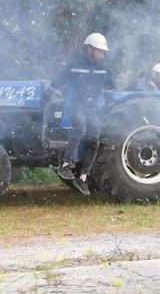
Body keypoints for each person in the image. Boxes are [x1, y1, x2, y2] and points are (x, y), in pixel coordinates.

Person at [46, 32, 114, 195]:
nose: (102, 55)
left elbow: (109, 90)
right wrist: (47, 94)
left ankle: (83, 177)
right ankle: (65, 165)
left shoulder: (104, 70)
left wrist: (109, 106)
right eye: (99, 51)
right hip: (74, 106)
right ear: (89, 50)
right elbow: (60, 79)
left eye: (103, 52)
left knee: (94, 139)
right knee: (80, 129)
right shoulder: (75, 65)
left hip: (90, 109)